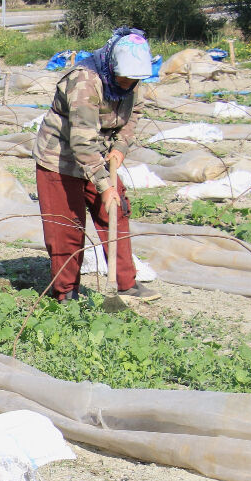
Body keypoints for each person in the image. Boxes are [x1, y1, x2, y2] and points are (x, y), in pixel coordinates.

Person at [34, 27, 160, 302]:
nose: (128, 84)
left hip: (98, 155)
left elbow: (134, 112)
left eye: (134, 79)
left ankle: (125, 283)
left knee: (115, 211)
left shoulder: (132, 80)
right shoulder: (85, 81)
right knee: (66, 226)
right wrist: (104, 185)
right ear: (112, 66)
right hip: (60, 159)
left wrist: (120, 146)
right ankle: (66, 291)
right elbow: (81, 141)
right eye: (124, 78)